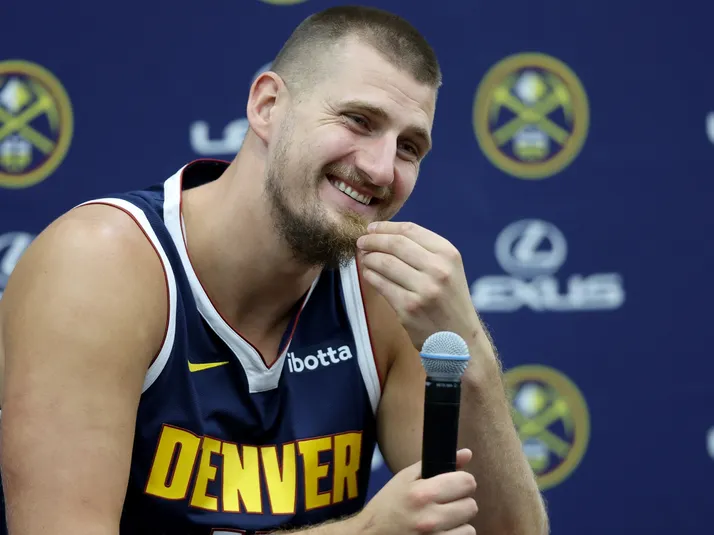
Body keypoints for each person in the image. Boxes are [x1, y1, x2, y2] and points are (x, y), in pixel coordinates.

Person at [0, 6, 548, 535]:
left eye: (409, 147)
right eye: (358, 120)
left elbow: (501, 534)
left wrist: (468, 345)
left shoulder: (383, 293)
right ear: (266, 106)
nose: (381, 169)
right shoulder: (100, 266)